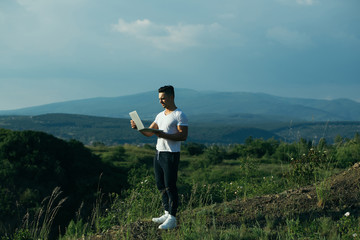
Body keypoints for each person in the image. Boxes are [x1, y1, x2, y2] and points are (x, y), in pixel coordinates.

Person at [130, 85, 188, 230]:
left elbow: (183, 136)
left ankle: (173, 218)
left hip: (171, 154)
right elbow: (150, 133)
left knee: (170, 185)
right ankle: (166, 212)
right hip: (159, 153)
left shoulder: (179, 115)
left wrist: (163, 135)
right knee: (160, 185)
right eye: (159, 99)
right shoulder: (160, 115)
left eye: (163, 98)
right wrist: (139, 128)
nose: (161, 101)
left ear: (171, 97)